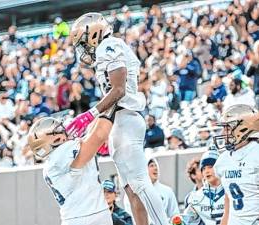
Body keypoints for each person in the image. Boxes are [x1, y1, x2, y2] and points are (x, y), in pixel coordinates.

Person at [67, 13, 168, 225]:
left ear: (93, 34)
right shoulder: (109, 48)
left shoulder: (108, 45)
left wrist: (91, 115)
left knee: (139, 183)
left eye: (83, 42)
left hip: (126, 119)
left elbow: (119, 90)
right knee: (129, 189)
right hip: (119, 121)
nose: (83, 48)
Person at [27, 117, 113, 225]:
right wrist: (112, 106)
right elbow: (99, 135)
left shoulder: (51, 163)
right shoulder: (60, 154)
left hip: (82, 215)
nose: (61, 132)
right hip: (87, 216)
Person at [213, 104, 259, 225]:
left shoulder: (256, 155)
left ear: (244, 128)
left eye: (228, 128)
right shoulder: (223, 160)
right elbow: (229, 199)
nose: (224, 132)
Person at [183, 149, 225, 225]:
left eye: (210, 167)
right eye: (203, 168)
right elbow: (187, 221)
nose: (206, 171)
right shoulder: (194, 198)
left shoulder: (231, 191)